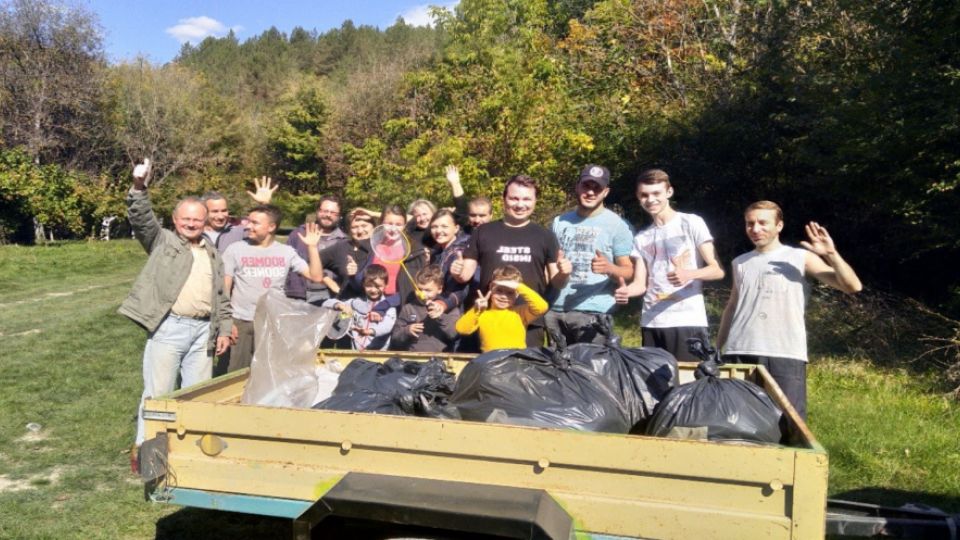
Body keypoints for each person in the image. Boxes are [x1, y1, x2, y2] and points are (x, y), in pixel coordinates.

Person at [119, 159, 232, 471]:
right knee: (159, 393)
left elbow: (221, 296)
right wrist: (139, 187)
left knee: (196, 395)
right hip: (170, 327)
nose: (192, 224)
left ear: (206, 222)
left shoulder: (212, 251)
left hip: (203, 332)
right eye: (186, 219)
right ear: (175, 219)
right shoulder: (163, 240)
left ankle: (188, 456)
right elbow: (141, 218)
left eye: (198, 220)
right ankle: (147, 456)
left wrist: (223, 328)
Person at [718, 201, 862, 419]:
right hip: (739, 351)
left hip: (784, 352)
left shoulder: (799, 258)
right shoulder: (740, 262)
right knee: (736, 420)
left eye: (762, 223)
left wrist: (831, 254)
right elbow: (732, 305)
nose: (755, 229)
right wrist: (718, 348)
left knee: (789, 422)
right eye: (750, 224)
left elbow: (852, 286)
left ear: (779, 226)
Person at [614, 169, 724, 361]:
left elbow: (717, 270)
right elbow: (641, 284)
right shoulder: (641, 237)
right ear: (639, 197)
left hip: (687, 320)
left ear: (669, 192)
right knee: (654, 385)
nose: (651, 200)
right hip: (652, 321)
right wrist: (626, 292)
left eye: (656, 193)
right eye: (644, 195)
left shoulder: (691, 223)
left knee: (689, 385)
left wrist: (689, 274)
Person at [456, 174, 564, 347]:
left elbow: (557, 282)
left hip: (529, 320)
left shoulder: (545, 236)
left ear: (535, 200)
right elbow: (464, 275)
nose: (520, 204)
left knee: (527, 372)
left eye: (527, 199)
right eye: (514, 198)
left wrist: (565, 273)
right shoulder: (482, 232)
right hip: (489, 318)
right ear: (504, 199)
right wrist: (457, 271)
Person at [222, 204, 325, 372]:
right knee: (235, 372)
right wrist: (226, 321)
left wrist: (312, 247)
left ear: (271, 227)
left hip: (271, 322)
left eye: (255, 223)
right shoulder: (235, 249)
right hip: (240, 321)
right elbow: (225, 288)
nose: (248, 226)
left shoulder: (286, 252)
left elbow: (316, 277)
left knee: (267, 371)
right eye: (249, 221)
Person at [547, 165, 634, 347]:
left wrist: (609, 268)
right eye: (586, 186)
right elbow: (550, 265)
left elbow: (628, 271)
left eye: (597, 188)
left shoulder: (617, 225)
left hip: (594, 312)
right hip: (555, 310)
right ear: (578, 187)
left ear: (606, 192)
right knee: (557, 372)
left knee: (592, 372)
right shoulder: (559, 222)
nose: (591, 192)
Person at [455, 265, 549, 353]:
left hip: (516, 361)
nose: (504, 297)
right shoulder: (482, 314)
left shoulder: (520, 313)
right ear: (491, 288)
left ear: (517, 294)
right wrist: (476, 309)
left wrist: (518, 286)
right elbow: (462, 329)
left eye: (510, 293)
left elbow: (542, 307)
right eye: (499, 291)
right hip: (491, 363)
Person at [285, 195, 349, 305]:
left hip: (328, 297)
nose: (328, 215)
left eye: (333, 213)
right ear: (317, 211)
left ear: (339, 216)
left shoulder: (344, 241)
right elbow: (285, 263)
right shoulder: (299, 234)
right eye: (325, 211)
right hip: (296, 295)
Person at [324, 264, 397, 351]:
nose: (373, 290)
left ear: (386, 285)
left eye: (378, 286)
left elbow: (387, 326)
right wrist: (340, 306)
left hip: (379, 354)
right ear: (363, 284)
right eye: (369, 286)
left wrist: (370, 331)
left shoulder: (389, 307)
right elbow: (326, 303)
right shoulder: (355, 303)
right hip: (356, 353)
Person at [391, 265, 460, 352]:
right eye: (419, 289)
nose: (422, 294)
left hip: (441, 358)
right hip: (413, 358)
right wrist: (407, 330)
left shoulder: (449, 308)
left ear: (439, 289)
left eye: (428, 290)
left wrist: (440, 317)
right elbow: (395, 338)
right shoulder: (408, 308)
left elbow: (454, 334)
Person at [201, 176, 278, 252]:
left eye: (224, 211)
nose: (221, 216)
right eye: (215, 211)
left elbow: (266, 232)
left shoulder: (240, 232)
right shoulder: (194, 232)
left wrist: (265, 204)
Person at [445, 165, 493, 233]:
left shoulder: (498, 234)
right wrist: (455, 183)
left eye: (482, 216)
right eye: (473, 215)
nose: (477, 220)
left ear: (491, 215)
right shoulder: (464, 232)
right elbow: (461, 206)